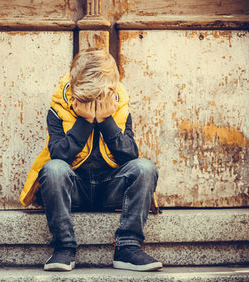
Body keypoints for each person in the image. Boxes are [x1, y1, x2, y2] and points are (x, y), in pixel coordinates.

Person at [19, 48, 162, 272]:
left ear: (112, 90)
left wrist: (106, 120)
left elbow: (129, 155)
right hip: (73, 188)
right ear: (75, 89)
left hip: (111, 189)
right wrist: (85, 120)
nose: (94, 103)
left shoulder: (120, 105)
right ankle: (64, 247)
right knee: (53, 169)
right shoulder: (59, 107)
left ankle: (128, 247)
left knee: (145, 168)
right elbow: (59, 154)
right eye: (87, 99)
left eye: (100, 98)